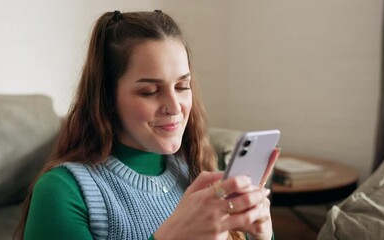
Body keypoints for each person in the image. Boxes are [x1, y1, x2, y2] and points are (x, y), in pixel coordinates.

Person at [15, 10, 279, 240]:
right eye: (150, 91)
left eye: (182, 86)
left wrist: (260, 236)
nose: (175, 107)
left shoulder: (194, 172)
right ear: (107, 97)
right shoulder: (62, 191)